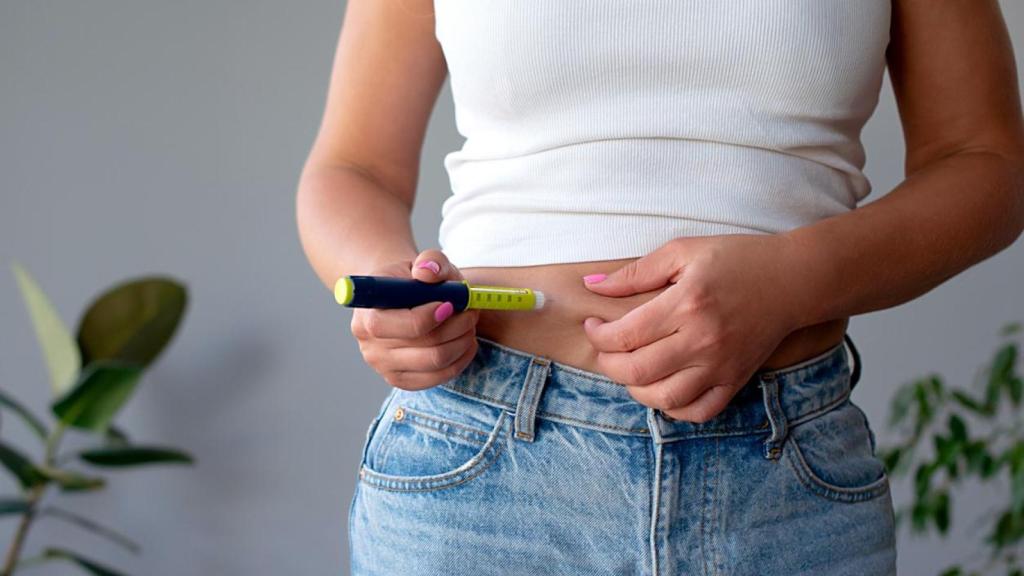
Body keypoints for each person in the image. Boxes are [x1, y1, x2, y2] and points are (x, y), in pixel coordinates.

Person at [295, 1, 1024, 574]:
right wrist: (390, 286)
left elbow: (986, 160)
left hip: (783, 477)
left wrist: (794, 279)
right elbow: (354, 168)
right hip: (478, 463)